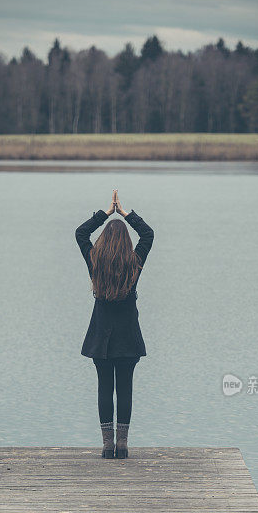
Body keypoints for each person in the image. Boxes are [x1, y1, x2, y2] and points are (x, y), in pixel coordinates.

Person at [75, 190, 154, 459]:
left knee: (104, 389)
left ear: (105, 241)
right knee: (125, 390)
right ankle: (123, 445)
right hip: (129, 338)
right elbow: (148, 235)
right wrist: (127, 213)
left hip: (101, 339)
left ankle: (107, 446)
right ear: (126, 242)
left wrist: (106, 213)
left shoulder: (95, 261)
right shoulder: (134, 262)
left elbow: (80, 233)